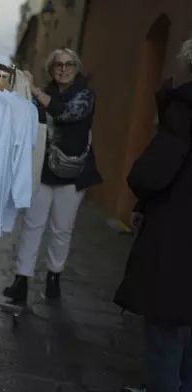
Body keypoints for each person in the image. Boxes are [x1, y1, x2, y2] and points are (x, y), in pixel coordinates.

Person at [115, 37, 192, 392]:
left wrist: (141, 194)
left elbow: (155, 172)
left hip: (178, 239)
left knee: (166, 335)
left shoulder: (185, 107)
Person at [3, 48, 102, 302]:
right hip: (43, 170)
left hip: (73, 174)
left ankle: (54, 276)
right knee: (32, 225)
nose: (63, 68)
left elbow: (69, 113)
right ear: (51, 69)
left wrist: (36, 91)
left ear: (76, 68)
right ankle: (21, 279)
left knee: (61, 229)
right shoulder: (42, 96)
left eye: (69, 64)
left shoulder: (85, 95)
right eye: (58, 64)